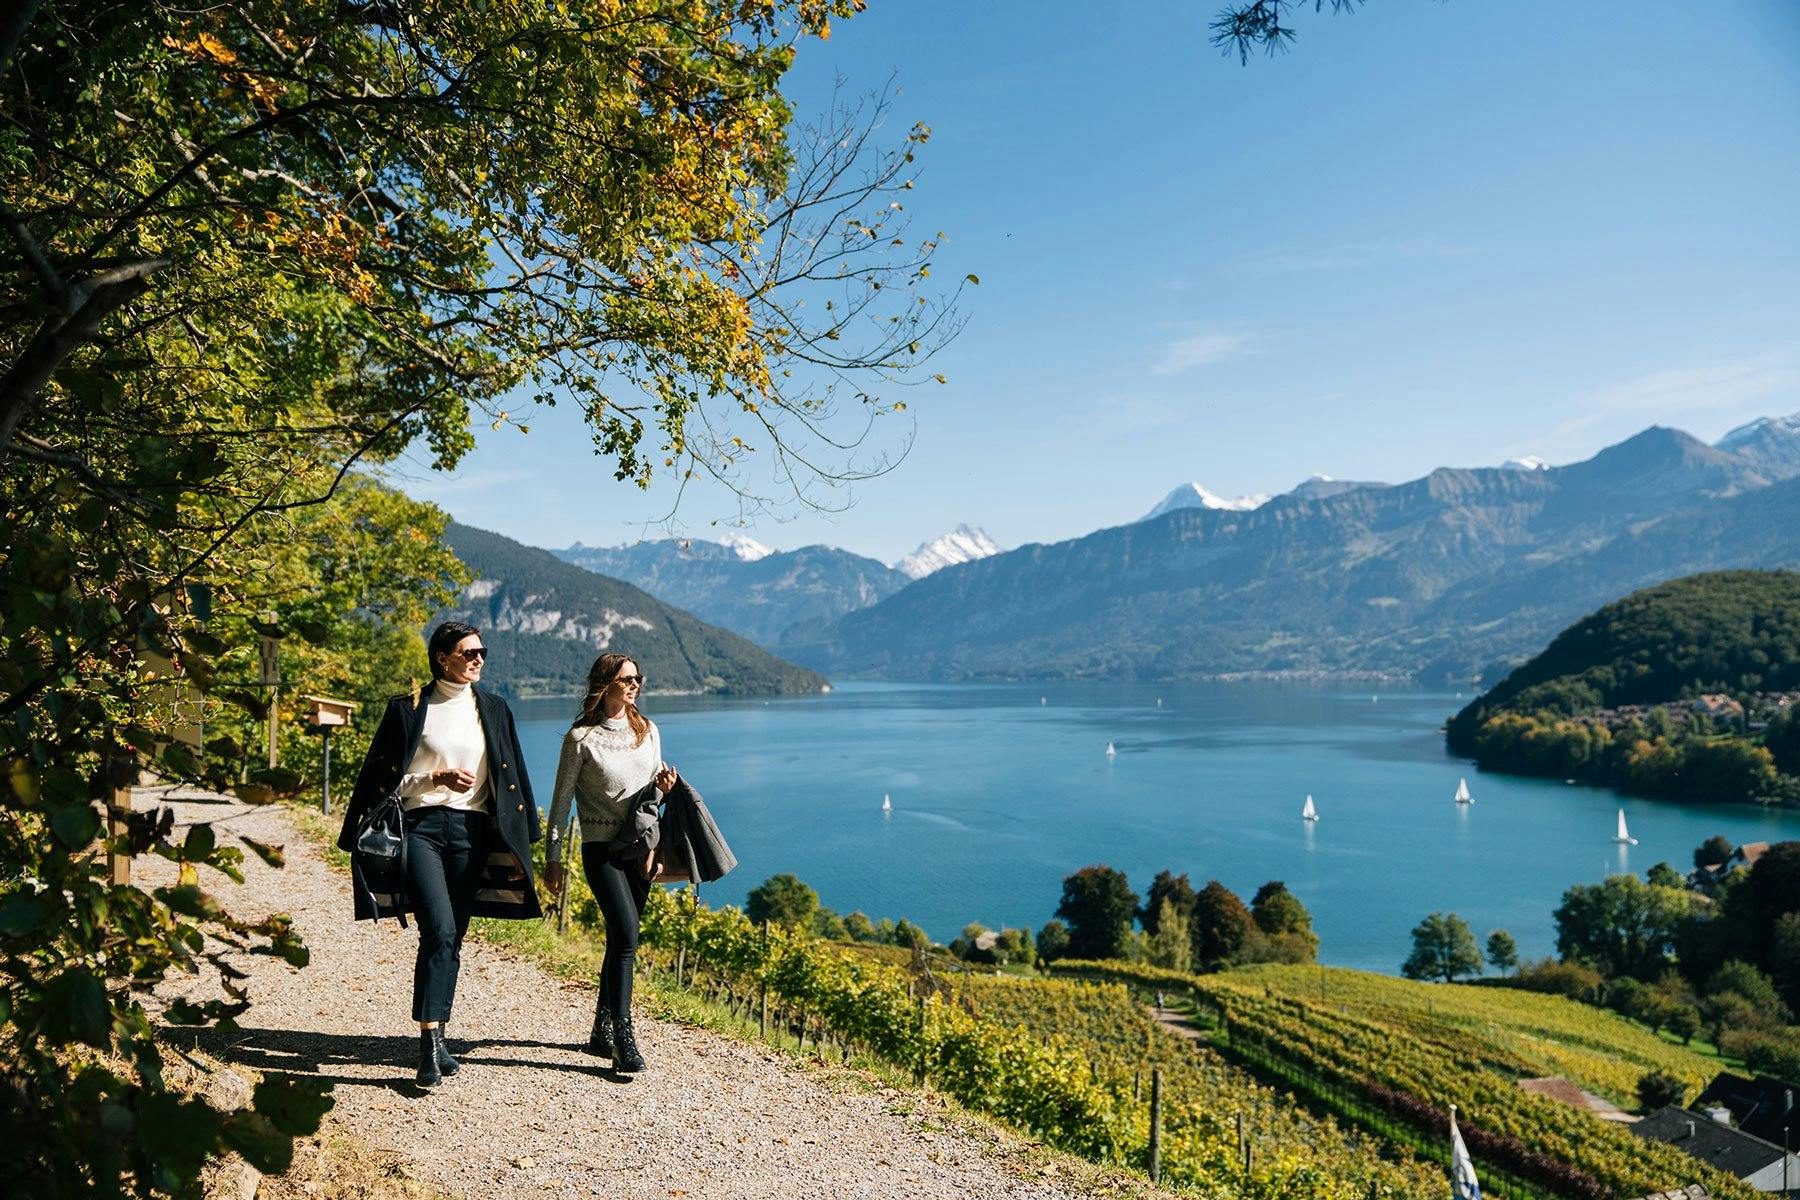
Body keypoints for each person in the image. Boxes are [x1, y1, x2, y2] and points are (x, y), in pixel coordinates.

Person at [337, 621, 541, 1087]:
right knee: (440, 931)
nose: (478, 659)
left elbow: (514, 774)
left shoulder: (493, 707)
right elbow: (379, 782)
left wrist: (524, 837)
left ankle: (441, 1038)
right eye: (468, 652)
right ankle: (428, 1048)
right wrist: (435, 779)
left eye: (482, 652)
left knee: (455, 937)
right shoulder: (409, 709)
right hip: (422, 830)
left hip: (473, 833)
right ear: (442, 657)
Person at [545, 652, 677, 1073]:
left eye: (639, 678)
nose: (635, 684)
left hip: (639, 849)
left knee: (622, 940)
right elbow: (560, 803)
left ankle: (600, 1033)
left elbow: (652, 800)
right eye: (627, 679)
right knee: (625, 934)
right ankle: (623, 1036)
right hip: (601, 850)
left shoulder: (649, 730)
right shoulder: (581, 739)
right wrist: (552, 859)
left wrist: (664, 791)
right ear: (605, 684)